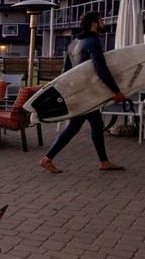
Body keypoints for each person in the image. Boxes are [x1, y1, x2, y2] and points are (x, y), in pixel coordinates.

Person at [40, 11, 126, 173]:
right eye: (101, 19)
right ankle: (48, 158)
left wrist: (66, 91)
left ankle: (103, 161)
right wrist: (116, 91)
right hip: (86, 93)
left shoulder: (73, 43)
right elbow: (101, 69)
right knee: (79, 126)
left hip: (78, 91)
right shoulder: (93, 42)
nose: (103, 22)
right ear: (94, 23)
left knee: (87, 125)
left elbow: (66, 71)